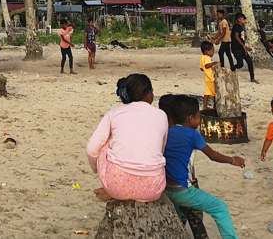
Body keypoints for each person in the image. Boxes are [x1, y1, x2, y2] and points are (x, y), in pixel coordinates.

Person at [163, 95, 244, 239]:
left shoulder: (166, 132)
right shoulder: (193, 134)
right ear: (190, 118)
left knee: (179, 219)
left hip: (167, 189)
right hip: (183, 190)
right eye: (198, 117)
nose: (199, 120)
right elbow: (212, 155)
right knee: (220, 208)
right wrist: (232, 160)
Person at [87, 73, 168, 203]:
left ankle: (112, 191)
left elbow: (91, 149)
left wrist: (98, 169)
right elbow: (161, 149)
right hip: (154, 188)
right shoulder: (161, 115)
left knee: (106, 142)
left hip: (117, 186)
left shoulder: (114, 113)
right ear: (148, 93)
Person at [230, 13, 258, 83]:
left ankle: (252, 78)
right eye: (243, 19)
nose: (245, 20)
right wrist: (244, 46)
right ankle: (231, 69)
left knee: (249, 62)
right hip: (236, 48)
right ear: (239, 19)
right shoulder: (236, 26)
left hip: (242, 48)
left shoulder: (241, 27)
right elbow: (236, 37)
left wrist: (245, 47)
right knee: (240, 64)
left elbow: (241, 38)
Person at [199, 41, 217, 110]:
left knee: (208, 92)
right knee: (214, 93)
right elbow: (206, 66)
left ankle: (205, 106)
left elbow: (201, 68)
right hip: (211, 78)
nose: (213, 53)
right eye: (212, 51)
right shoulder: (207, 58)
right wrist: (214, 63)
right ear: (207, 51)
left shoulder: (202, 58)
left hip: (207, 78)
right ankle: (213, 106)